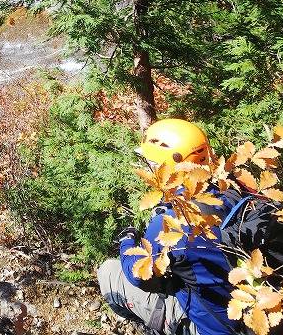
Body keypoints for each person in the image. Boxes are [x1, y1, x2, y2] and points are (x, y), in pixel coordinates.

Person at [97, 119, 241, 335]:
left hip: (215, 328)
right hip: (255, 309)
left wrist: (126, 241)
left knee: (108, 272)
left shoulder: (170, 222)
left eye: (151, 164)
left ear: (162, 167)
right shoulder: (234, 191)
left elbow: (139, 275)